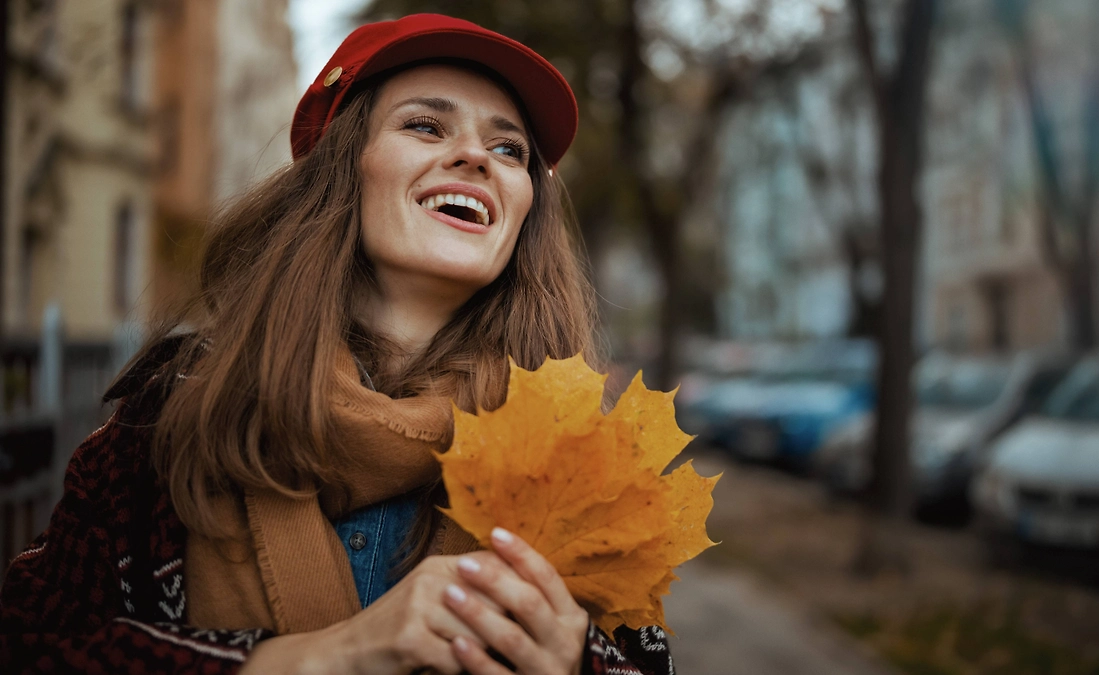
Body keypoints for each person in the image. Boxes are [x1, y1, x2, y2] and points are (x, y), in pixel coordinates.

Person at [0, 14, 675, 675]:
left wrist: (575, 661)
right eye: (425, 125)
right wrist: (313, 657)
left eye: (509, 150)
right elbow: (34, 638)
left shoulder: (583, 456)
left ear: (526, 206)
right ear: (341, 167)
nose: (476, 156)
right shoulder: (173, 415)